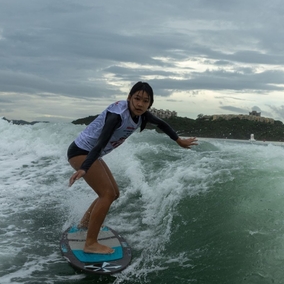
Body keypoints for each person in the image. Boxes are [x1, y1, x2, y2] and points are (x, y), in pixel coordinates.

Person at [67, 81, 197, 254]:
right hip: (81, 152)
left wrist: (179, 140)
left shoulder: (142, 115)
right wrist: (84, 168)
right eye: (137, 98)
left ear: (149, 104)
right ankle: (90, 243)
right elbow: (100, 143)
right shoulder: (117, 116)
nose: (140, 104)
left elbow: (162, 124)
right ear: (129, 97)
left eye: (145, 101)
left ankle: (85, 224)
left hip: (90, 154)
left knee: (114, 194)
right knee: (106, 194)